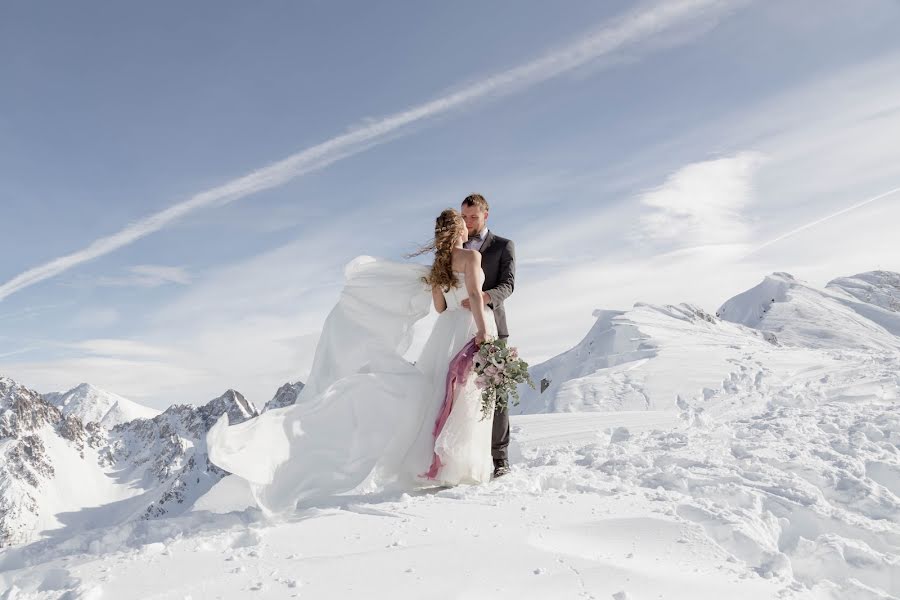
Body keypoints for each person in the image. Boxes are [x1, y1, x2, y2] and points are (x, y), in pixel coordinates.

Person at [206, 207, 506, 513]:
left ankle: (444, 467)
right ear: (459, 230)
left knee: (444, 396)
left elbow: (441, 308)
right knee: (466, 395)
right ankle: (463, 466)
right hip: (469, 324)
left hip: (445, 331)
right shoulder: (471, 258)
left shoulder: (437, 267)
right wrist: (483, 331)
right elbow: (474, 293)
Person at [459, 194, 516, 478]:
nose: (468, 223)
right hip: (458, 330)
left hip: (493, 327)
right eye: (464, 217)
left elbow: (508, 285)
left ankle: (500, 459)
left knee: (497, 392)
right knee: (458, 392)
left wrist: (483, 297)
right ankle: (461, 457)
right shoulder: (455, 247)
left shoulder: (504, 246)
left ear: (486, 215)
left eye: (473, 217)